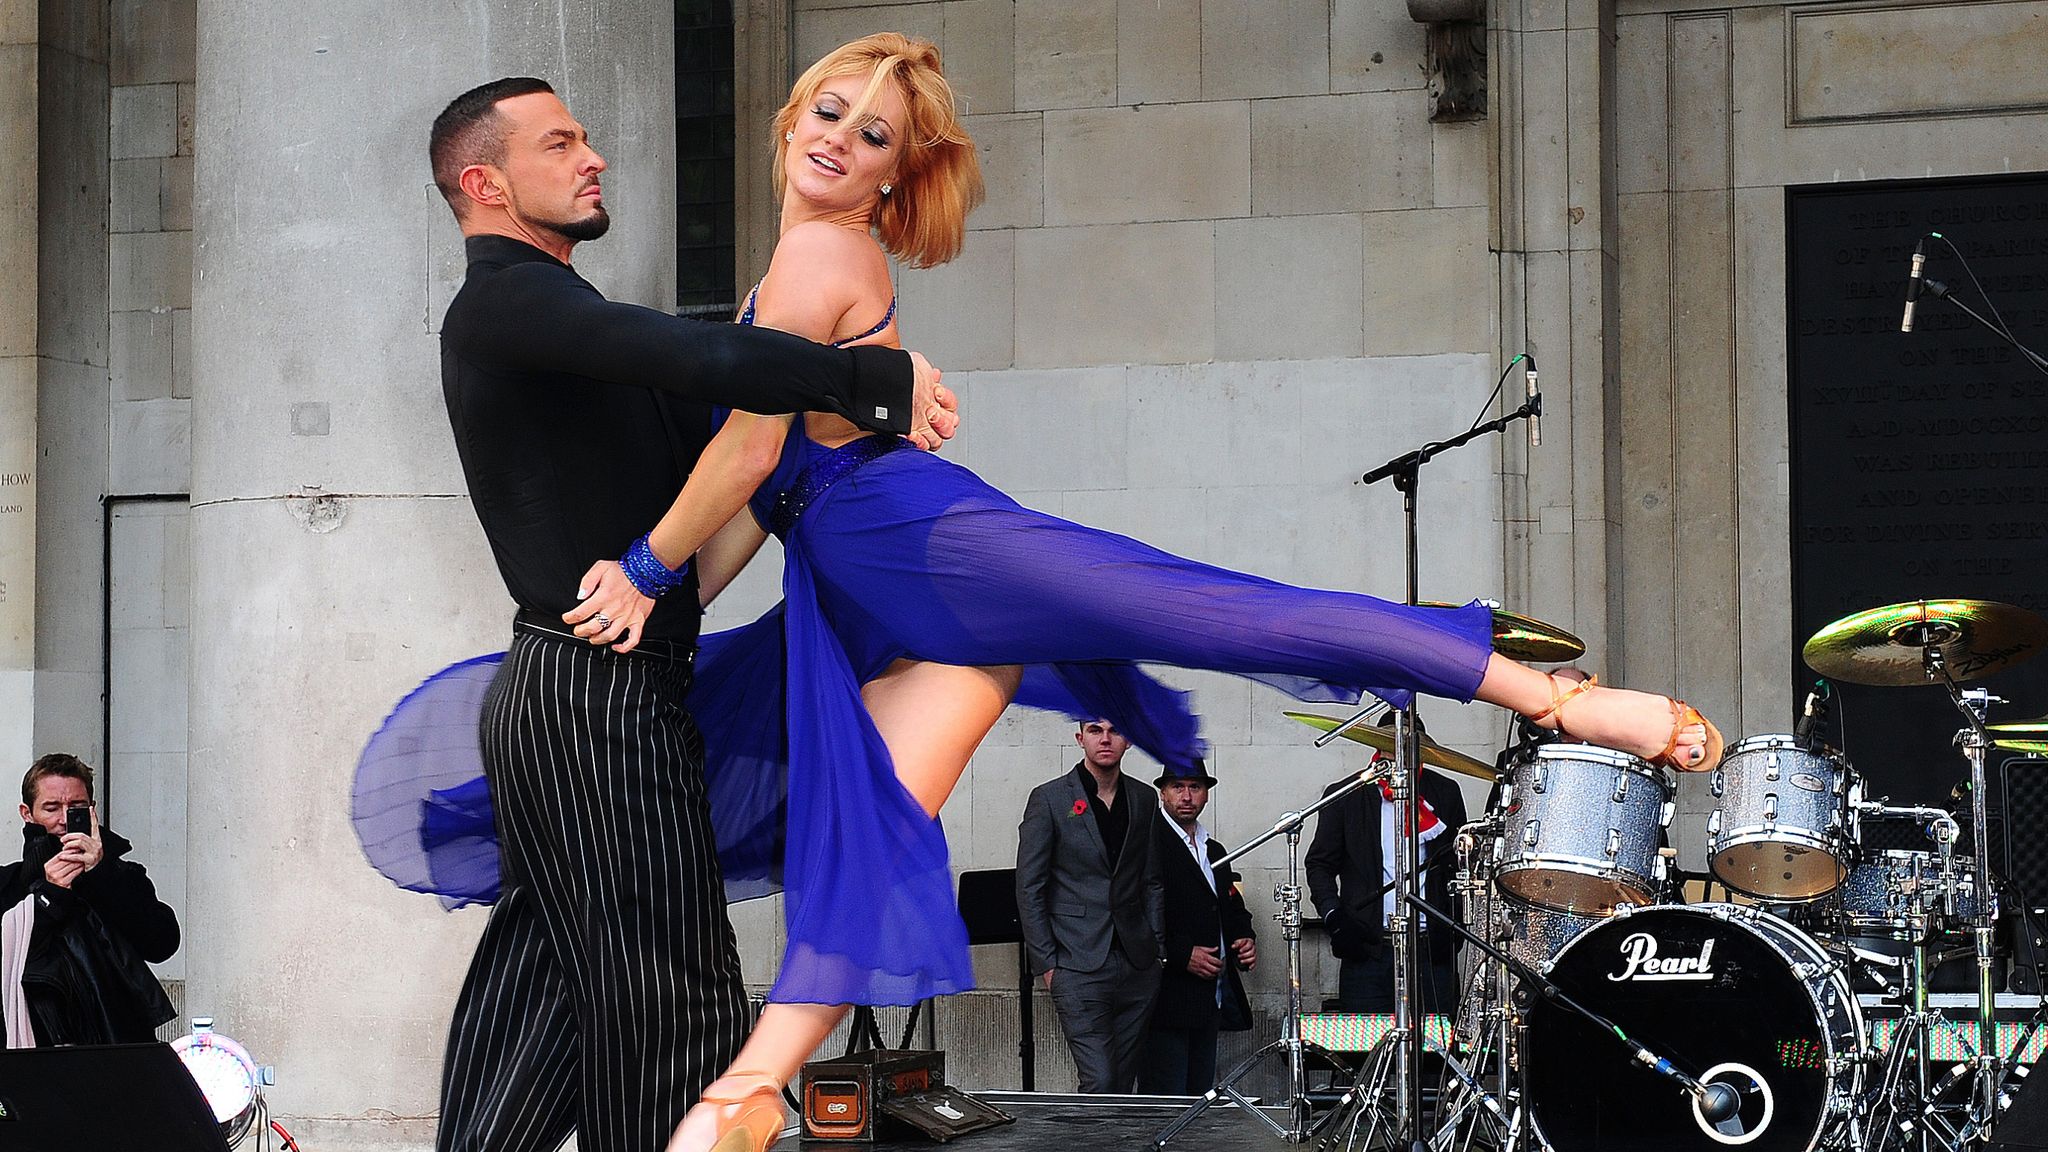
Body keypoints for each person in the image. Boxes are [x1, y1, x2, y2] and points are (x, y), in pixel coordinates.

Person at [533, 34, 1719, 1152]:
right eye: (832, 112)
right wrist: (668, 598)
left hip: (934, 553)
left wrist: (643, 572)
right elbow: (750, 496)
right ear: (794, 117)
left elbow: (744, 454)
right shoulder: (776, 277)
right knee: (869, 840)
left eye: (878, 136)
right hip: (869, 599)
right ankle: (747, 1088)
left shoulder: (820, 254)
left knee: (1224, 609)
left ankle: (1553, 700)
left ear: (898, 178)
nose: (842, 138)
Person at [424, 74, 956, 1152]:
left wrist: (808, 402)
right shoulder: (505, 304)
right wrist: (868, 377)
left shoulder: (566, 324)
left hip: (577, 690)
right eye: (561, 142)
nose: (595, 157)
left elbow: (729, 448)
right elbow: (700, 356)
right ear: (486, 183)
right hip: (592, 694)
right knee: (674, 1007)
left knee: (547, 1000)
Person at [1015, 719, 1166, 1094]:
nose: (1105, 738)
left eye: (1115, 730)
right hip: (1076, 961)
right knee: (1099, 1080)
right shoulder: (1050, 799)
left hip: (1137, 962)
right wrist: (1048, 965)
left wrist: (1158, 951)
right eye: (1096, 729)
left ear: (1128, 739)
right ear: (1080, 738)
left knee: (1124, 1083)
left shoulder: (1144, 798)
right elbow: (1030, 887)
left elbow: (1152, 881)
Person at [0, 754, 179, 1047]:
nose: (63, 820)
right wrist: (50, 896)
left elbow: (162, 943)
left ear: (92, 810)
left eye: (76, 808)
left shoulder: (122, 876)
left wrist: (101, 874)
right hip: (32, 1051)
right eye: (51, 807)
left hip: (115, 1047)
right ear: (27, 813)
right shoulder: (7, 886)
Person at [1306, 745, 1469, 1015]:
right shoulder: (1347, 793)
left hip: (1429, 947)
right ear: (1378, 749)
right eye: (1392, 747)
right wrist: (1334, 916)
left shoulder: (1445, 791)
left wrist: (1454, 925)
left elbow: (1460, 865)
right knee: (1366, 1045)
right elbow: (1319, 864)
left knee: (1437, 1047)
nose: (1400, 754)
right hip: (1368, 947)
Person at [1140, 764, 1256, 1096]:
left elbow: (1230, 905)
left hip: (1210, 996)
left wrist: (1245, 938)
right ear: (1163, 792)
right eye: (1178, 787)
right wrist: (1180, 954)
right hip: (1166, 996)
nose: (1187, 796)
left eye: (1195, 787)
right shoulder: (1149, 844)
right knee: (1167, 1100)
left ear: (1206, 794)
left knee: (1199, 1098)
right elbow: (1135, 914)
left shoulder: (1213, 850)